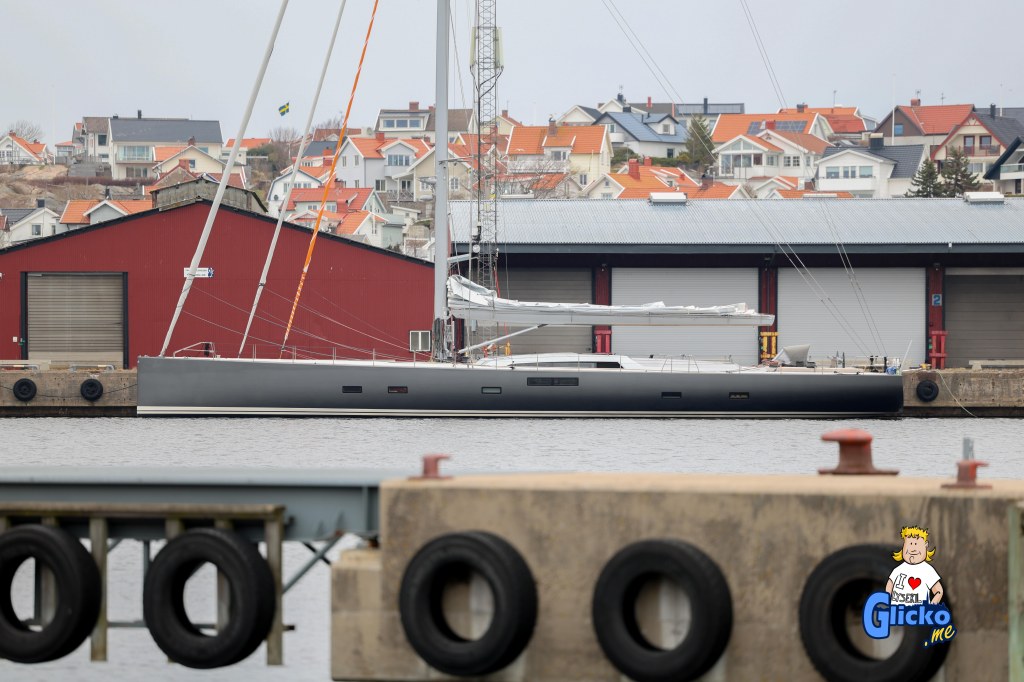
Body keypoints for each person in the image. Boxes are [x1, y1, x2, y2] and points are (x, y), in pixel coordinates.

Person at [886, 525, 943, 605]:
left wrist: (931, 607)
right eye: (910, 544)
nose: (912, 549)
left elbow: (939, 591)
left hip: (918, 614)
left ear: (925, 545)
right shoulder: (898, 570)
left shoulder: (927, 570)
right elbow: (889, 586)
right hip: (897, 614)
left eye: (916, 544)